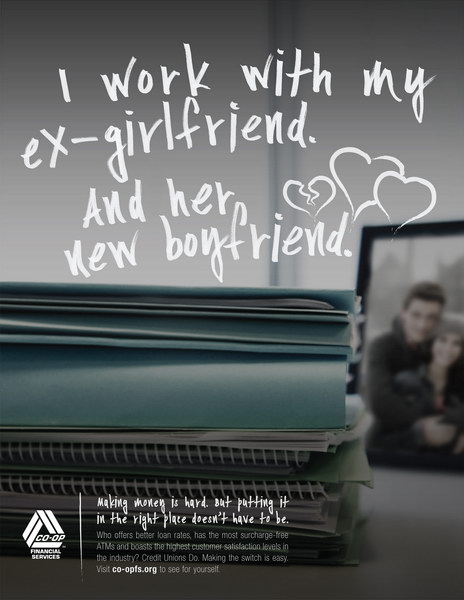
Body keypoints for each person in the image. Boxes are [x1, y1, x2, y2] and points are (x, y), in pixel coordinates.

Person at [365, 281, 446, 450]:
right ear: (404, 313)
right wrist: (428, 423)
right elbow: (381, 403)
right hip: (387, 443)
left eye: (431, 317)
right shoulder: (382, 346)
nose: (422, 325)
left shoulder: (440, 349)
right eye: (416, 315)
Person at [393, 318, 464, 453]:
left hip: (450, 464)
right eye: (443, 340)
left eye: (456, 343)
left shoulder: (460, 387)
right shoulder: (407, 381)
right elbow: (385, 437)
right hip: (406, 461)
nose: (448, 348)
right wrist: (421, 433)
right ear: (432, 342)